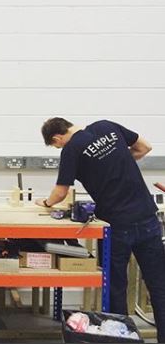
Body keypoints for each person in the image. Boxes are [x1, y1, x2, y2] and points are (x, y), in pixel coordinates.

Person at [38, 117, 165, 341]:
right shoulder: (107, 126)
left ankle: (122, 338)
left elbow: (61, 192)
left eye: (57, 145)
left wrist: (46, 203)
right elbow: (144, 147)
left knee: (115, 288)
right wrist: (116, 163)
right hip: (147, 218)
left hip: (115, 225)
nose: (59, 148)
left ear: (57, 138)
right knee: (159, 285)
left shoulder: (71, 150)